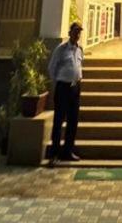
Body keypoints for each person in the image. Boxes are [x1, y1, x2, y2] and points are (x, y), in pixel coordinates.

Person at [47, 22, 84, 165]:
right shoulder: (61, 49)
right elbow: (52, 68)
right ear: (69, 33)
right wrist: (59, 82)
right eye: (75, 31)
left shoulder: (80, 49)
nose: (77, 34)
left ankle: (68, 151)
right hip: (63, 87)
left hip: (75, 88)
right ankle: (54, 154)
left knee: (73, 121)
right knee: (58, 120)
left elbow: (79, 66)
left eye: (79, 32)